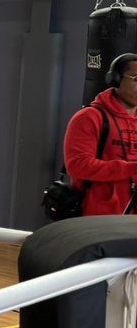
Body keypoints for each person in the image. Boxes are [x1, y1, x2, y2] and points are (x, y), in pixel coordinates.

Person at [63, 52, 137, 215]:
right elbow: (78, 166)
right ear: (115, 79)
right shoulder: (88, 118)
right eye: (136, 79)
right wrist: (132, 168)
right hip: (96, 217)